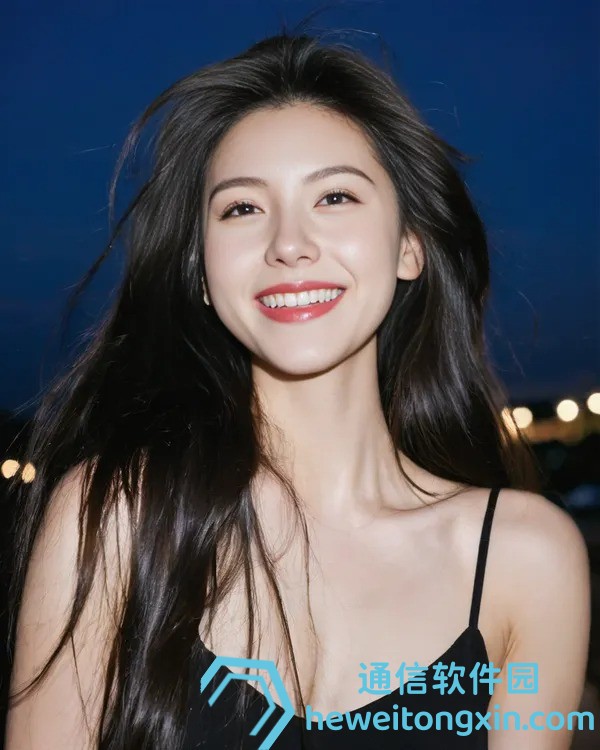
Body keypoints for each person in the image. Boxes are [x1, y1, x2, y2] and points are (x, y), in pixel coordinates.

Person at [4, 30, 591, 750]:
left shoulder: (525, 558)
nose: (288, 244)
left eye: (335, 196)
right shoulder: (116, 520)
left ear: (410, 245)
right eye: (242, 209)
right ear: (201, 271)